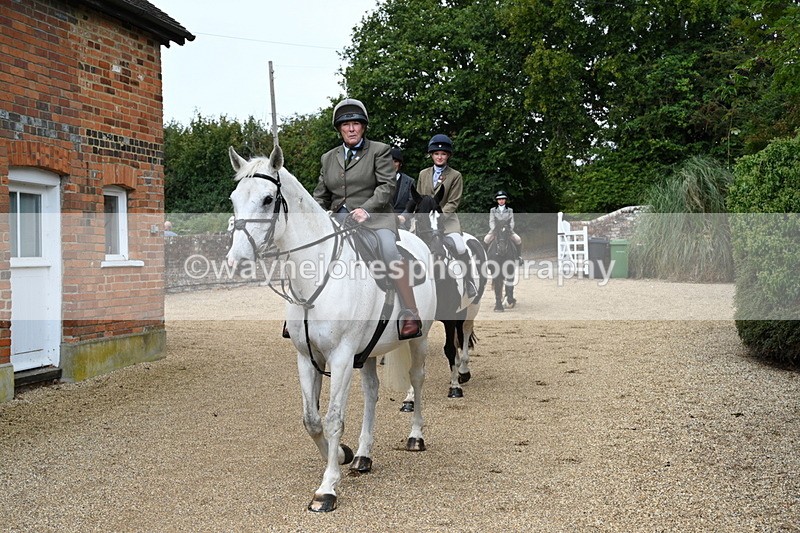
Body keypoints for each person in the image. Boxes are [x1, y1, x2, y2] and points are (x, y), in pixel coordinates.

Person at [313, 98, 421, 339]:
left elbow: (387, 187)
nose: (351, 129)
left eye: (356, 124)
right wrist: (315, 216)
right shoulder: (328, 158)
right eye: (346, 124)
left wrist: (366, 210)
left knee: (389, 251)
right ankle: (303, 313)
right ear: (339, 129)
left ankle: (410, 312)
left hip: (376, 218)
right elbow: (320, 194)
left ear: (363, 127)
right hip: (339, 219)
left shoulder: (379, 151)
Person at [414, 133, 476, 298]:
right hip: (426, 223)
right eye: (436, 154)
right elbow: (419, 198)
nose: (439, 157)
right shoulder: (423, 174)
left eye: (443, 154)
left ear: (448, 155)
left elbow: (453, 202)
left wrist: (438, 217)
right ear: (431, 155)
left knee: (460, 247)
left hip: (446, 221)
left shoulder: (455, 176)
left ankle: (468, 280)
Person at [484, 190, 522, 262]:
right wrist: (494, 229)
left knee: (518, 239)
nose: (501, 201)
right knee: (486, 239)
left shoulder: (510, 210)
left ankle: (519, 256)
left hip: (507, 229)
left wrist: (509, 229)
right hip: (496, 230)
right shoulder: (493, 210)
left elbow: (512, 222)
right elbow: (491, 221)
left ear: (505, 200)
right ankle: (485, 257)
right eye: (499, 199)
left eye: (502, 199)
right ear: (497, 200)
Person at [390, 147, 416, 230]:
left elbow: (412, 202)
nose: (392, 164)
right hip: (382, 220)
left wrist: (403, 217)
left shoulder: (409, 181)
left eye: (396, 161)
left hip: (402, 222)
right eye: (390, 161)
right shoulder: (378, 180)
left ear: (400, 164)